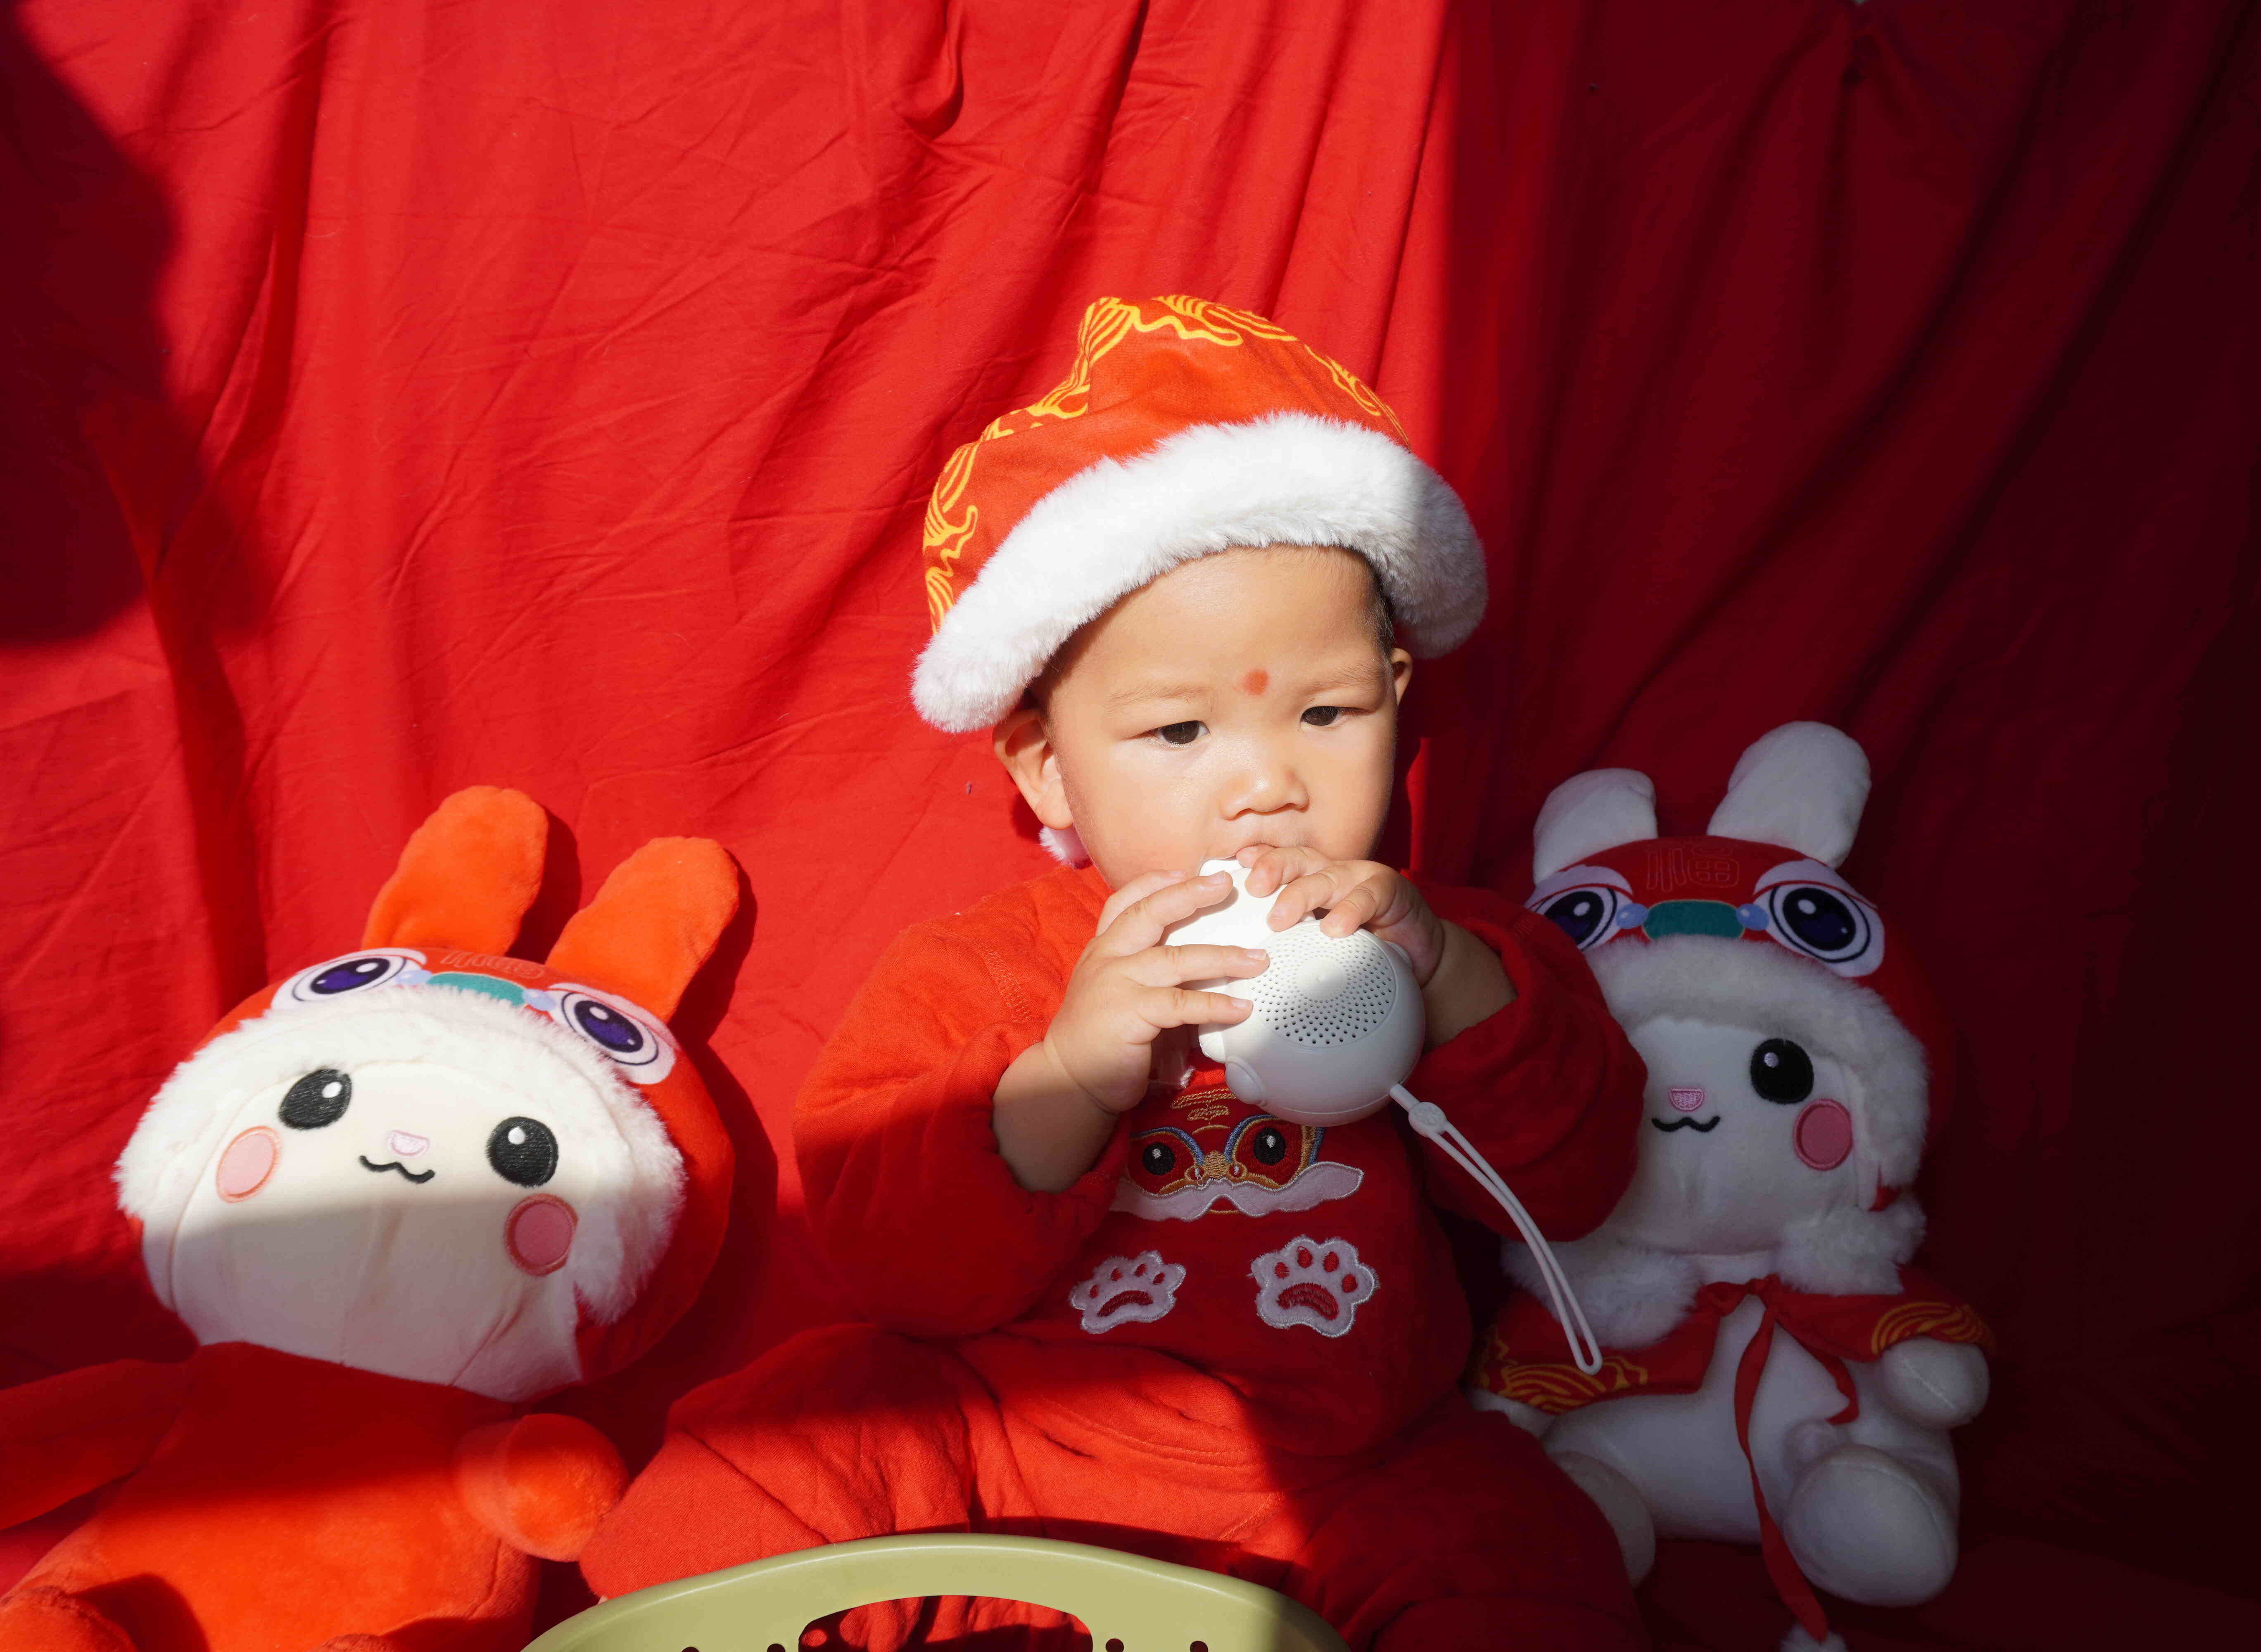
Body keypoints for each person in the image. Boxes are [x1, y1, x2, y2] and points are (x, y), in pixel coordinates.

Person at [582, 296, 1646, 1650]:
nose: (1266, 784)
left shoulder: (1446, 946)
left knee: (1518, 1537)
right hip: (1003, 1454)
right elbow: (896, 1268)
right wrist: (1072, 1076)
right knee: (786, 1433)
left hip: (1345, 1467)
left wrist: (1446, 986)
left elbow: (1579, 1185)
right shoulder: (985, 966)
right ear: (1045, 767)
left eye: (1327, 713)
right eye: (1180, 732)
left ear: (1396, 693)